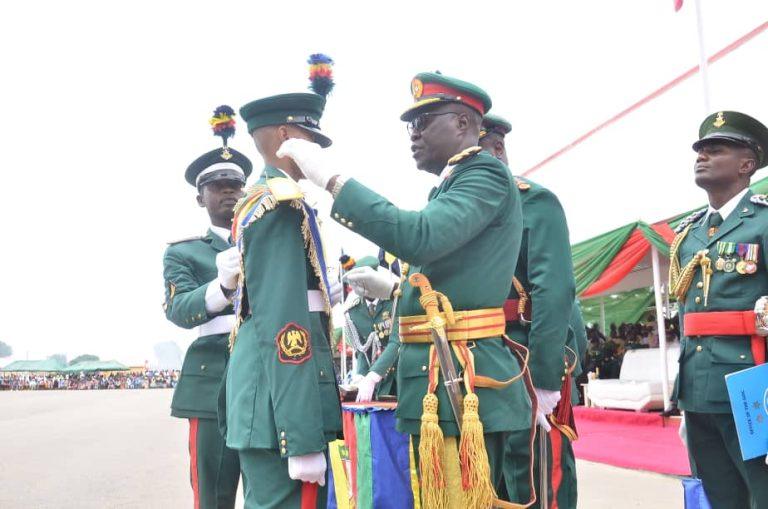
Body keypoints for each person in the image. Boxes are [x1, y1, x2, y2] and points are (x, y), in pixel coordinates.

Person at [279, 71, 535, 508]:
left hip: (460, 374)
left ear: (462, 123)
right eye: (410, 125)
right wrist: (397, 288)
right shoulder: (451, 185)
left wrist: (332, 181)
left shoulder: (485, 174)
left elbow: (419, 237)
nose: (412, 133)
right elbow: (443, 281)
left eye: (424, 120)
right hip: (439, 373)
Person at [224, 70, 344, 508]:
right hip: (282, 410)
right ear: (282, 135)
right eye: (308, 138)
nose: (314, 151)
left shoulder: (272, 199)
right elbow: (285, 323)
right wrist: (301, 435)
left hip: (271, 402)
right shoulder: (279, 204)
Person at [479, 113, 580, 508]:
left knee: (536, 476)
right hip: (480, 359)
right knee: (493, 479)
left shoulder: (533, 201)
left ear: (496, 148)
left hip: (523, 354)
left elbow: (554, 292)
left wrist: (545, 377)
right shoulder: (458, 206)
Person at [669, 110, 768, 508]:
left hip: (752, 386)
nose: (702, 156)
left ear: (747, 164)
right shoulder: (689, 233)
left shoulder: (761, 222)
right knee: (719, 493)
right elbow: (685, 314)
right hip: (697, 386)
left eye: (716, 149)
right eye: (700, 150)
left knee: (760, 492)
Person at [162, 105, 250, 508]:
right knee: (213, 495)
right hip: (212, 376)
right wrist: (220, 287)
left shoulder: (274, 239)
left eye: (235, 182)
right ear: (200, 197)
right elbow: (179, 309)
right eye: (217, 184)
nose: (229, 190)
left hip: (265, 377)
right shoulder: (185, 253)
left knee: (271, 490)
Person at [341, 255, 398, 401]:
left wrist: (373, 376)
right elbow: (363, 350)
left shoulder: (394, 302)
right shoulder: (353, 311)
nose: (360, 287)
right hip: (379, 386)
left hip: (400, 377)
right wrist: (360, 375)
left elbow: (397, 342)